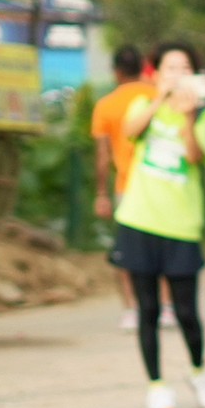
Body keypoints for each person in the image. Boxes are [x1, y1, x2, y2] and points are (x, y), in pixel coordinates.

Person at [114, 43, 205, 408]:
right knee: (147, 309)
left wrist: (188, 118)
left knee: (186, 310)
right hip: (139, 219)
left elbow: (195, 156)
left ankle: (199, 372)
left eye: (185, 67)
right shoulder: (143, 104)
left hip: (181, 224)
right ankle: (157, 385)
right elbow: (129, 131)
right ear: (157, 73)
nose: (178, 74)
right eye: (170, 68)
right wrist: (159, 100)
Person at [87, 45, 155, 332]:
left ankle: (131, 308)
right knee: (161, 246)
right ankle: (165, 307)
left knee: (126, 250)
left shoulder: (106, 105)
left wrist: (101, 194)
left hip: (127, 187)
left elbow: (103, 157)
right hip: (160, 185)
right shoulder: (156, 97)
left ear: (116, 72)